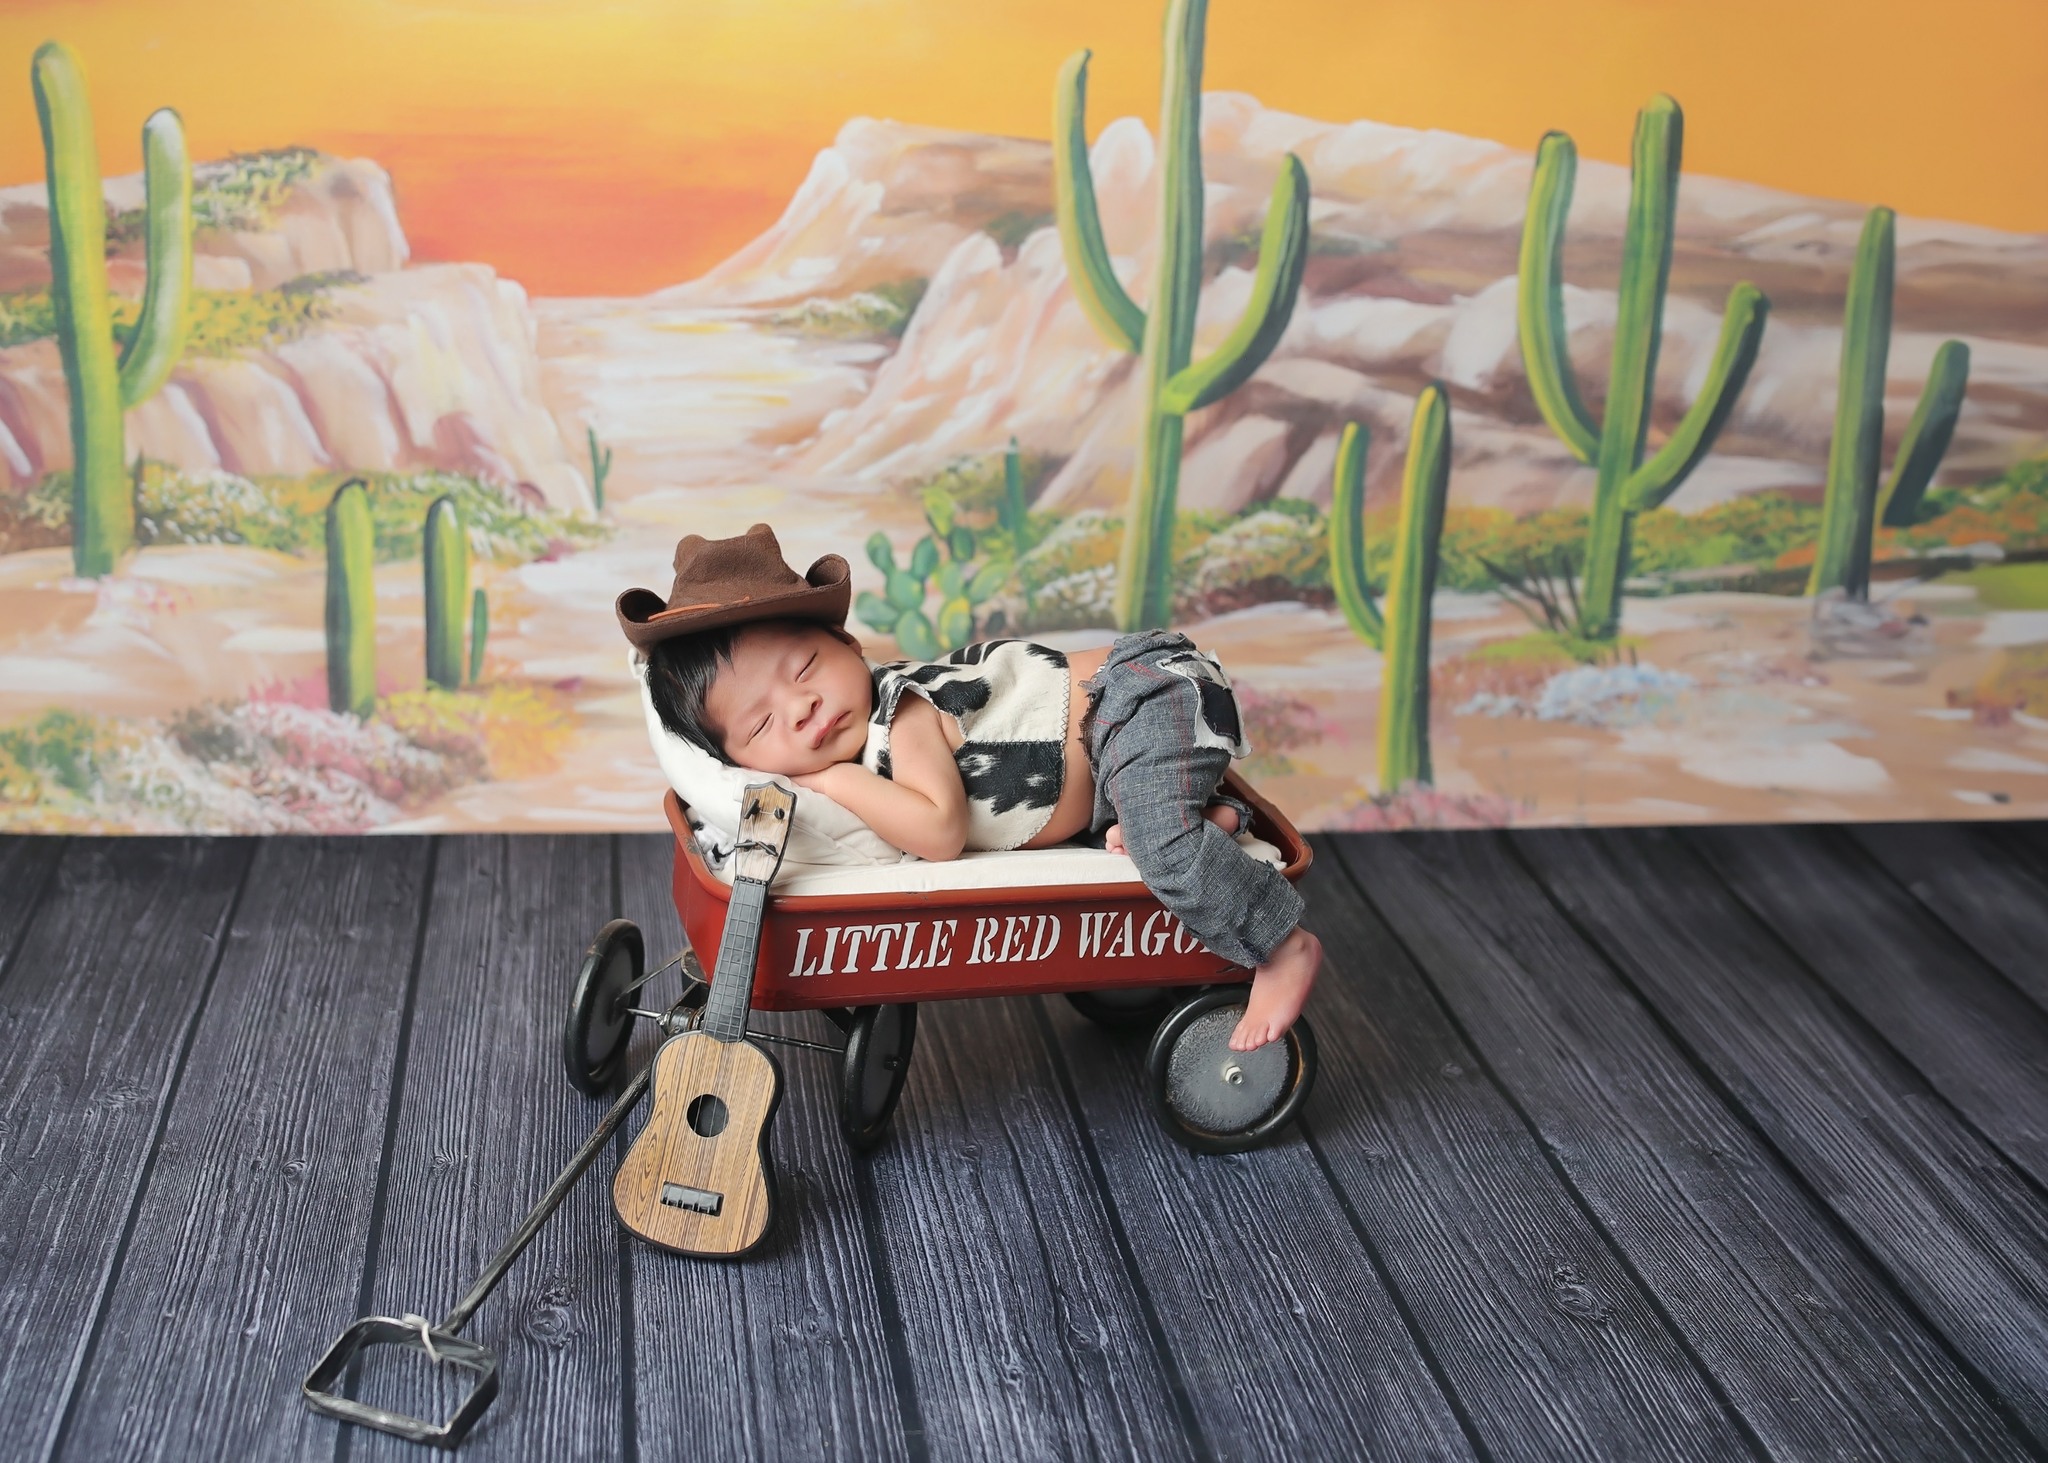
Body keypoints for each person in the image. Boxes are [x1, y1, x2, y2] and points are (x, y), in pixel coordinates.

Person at [618, 523, 1319, 1052]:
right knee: (1136, 824)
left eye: (805, 668)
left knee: (1160, 847)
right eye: (764, 720)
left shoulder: (903, 711)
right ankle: (1202, 815)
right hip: (1109, 770)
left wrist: (834, 779)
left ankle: (1281, 941)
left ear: (852, 649)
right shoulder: (861, 741)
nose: (800, 706)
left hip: (1145, 696)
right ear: (741, 761)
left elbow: (940, 833)